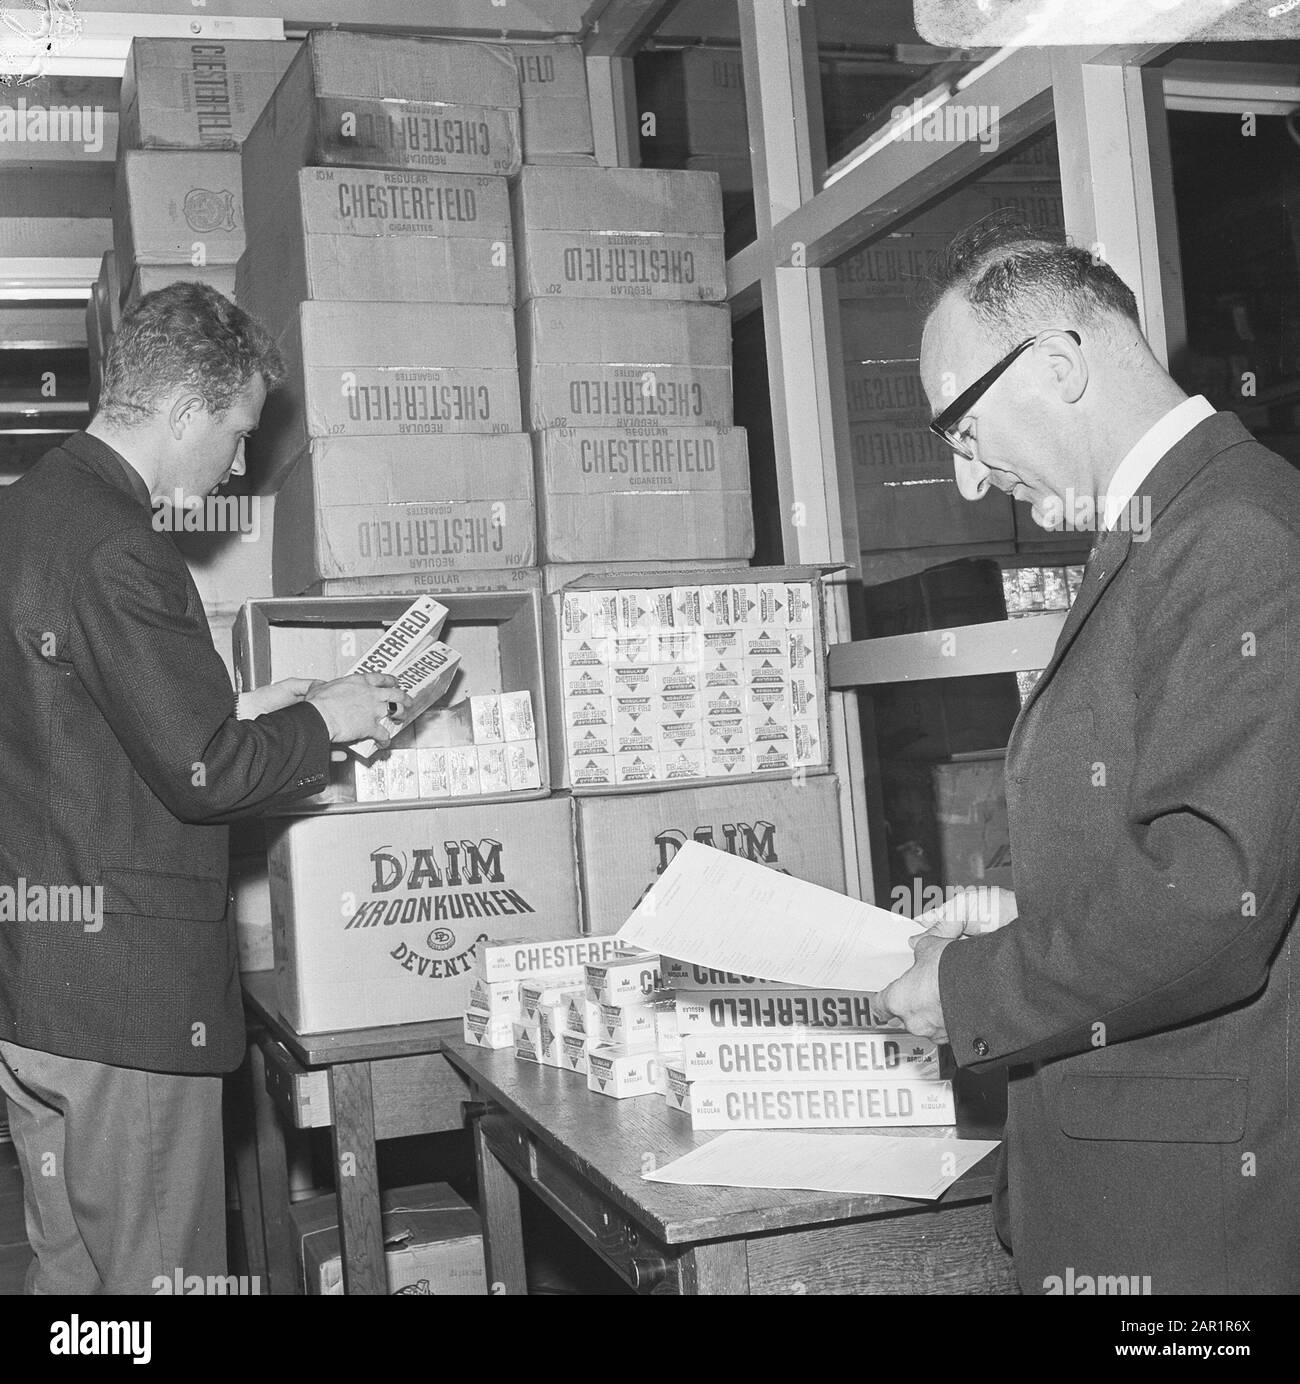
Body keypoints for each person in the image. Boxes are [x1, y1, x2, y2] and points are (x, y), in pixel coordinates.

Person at [878, 215, 1300, 1295]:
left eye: (963, 428)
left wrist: (968, 984)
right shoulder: (1173, 527)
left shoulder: (1235, 537)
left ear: (1059, 365)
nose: (969, 482)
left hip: (1194, 1219)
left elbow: (1212, 899)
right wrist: (1016, 917)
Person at [0, 282, 411, 1294]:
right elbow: (204, 776)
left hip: (38, 996)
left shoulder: (25, 516)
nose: (234, 463)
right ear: (184, 410)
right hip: (128, 1010)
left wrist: (255, 702)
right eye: (233, 432)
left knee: (75, 1285)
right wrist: (332, 719)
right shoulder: (120, 542)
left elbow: (74, 729)